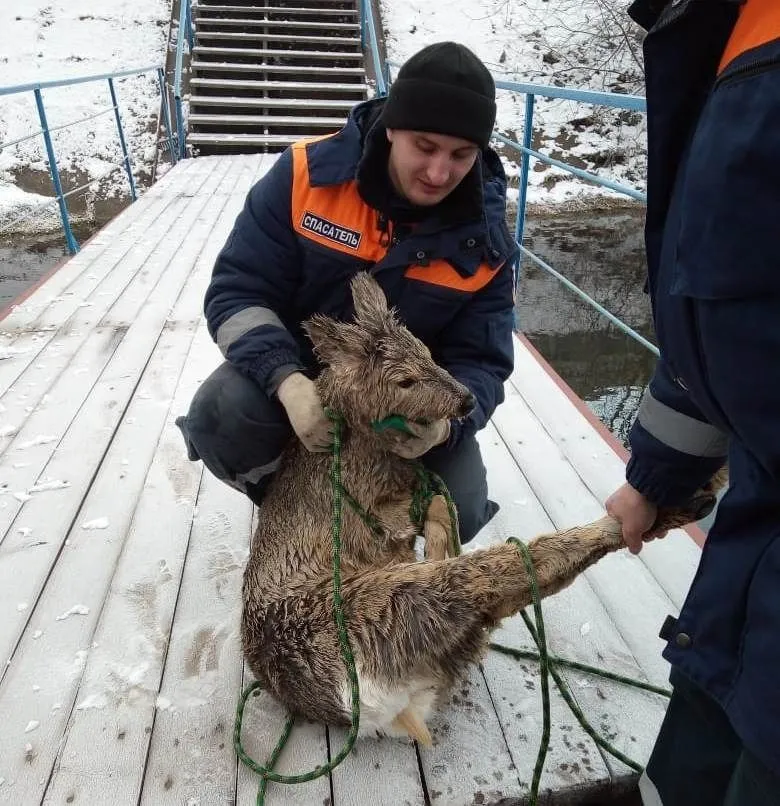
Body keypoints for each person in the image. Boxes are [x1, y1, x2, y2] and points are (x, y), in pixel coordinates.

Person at [175, 42, 519, 544]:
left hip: (407, 402)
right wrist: (286, 380)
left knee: (461, 509)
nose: (439, 173)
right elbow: (237, 294)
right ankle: (295, 502)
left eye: (461, 155)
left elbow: (484, 362)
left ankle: (375, 510)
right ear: (392, 127)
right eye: (424, 147)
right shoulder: (305, 177)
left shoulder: (486, 242)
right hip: (303, 374)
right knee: (218, 416)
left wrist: (444, 428)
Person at [605, 0, 780, 803]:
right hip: (745, 555)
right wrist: (655, 478)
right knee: (685, 767)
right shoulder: (719, 26)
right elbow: (724, 309)